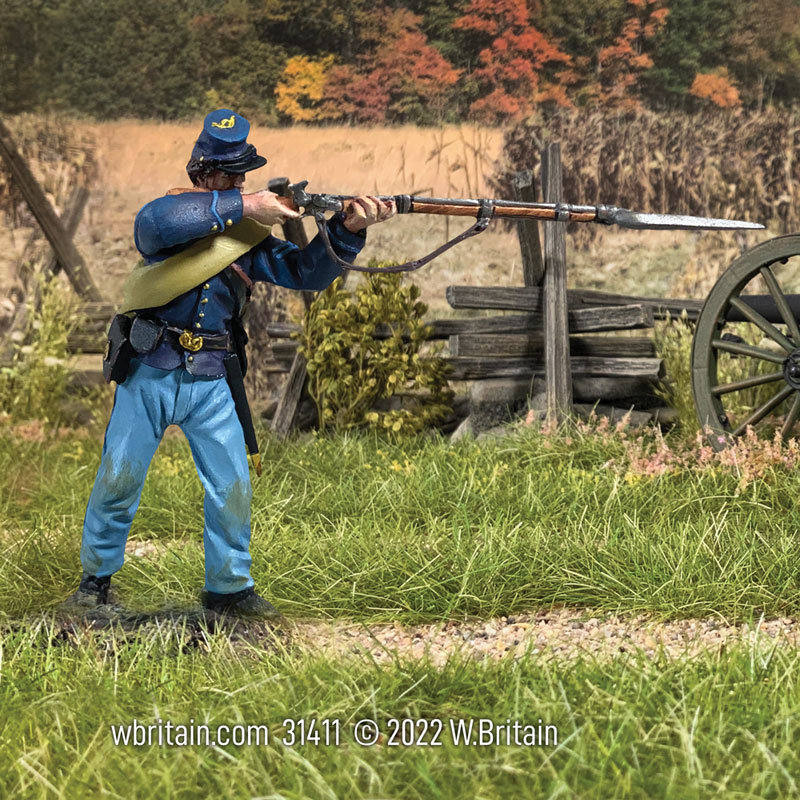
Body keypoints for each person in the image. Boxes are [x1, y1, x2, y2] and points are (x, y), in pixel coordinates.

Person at [65, 109, 394, 617]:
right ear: (200, 174)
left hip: (211, 375)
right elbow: (152, 228)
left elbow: (306, 274)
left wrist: (347, 228)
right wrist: (246, 204)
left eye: (236, 176)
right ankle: (95, 581)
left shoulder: (247, 235)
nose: (227, 182)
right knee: (119, 478)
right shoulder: (173, 216)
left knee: (231, 487)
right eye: (219, 174)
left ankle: (229, 588)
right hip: (150, 368)